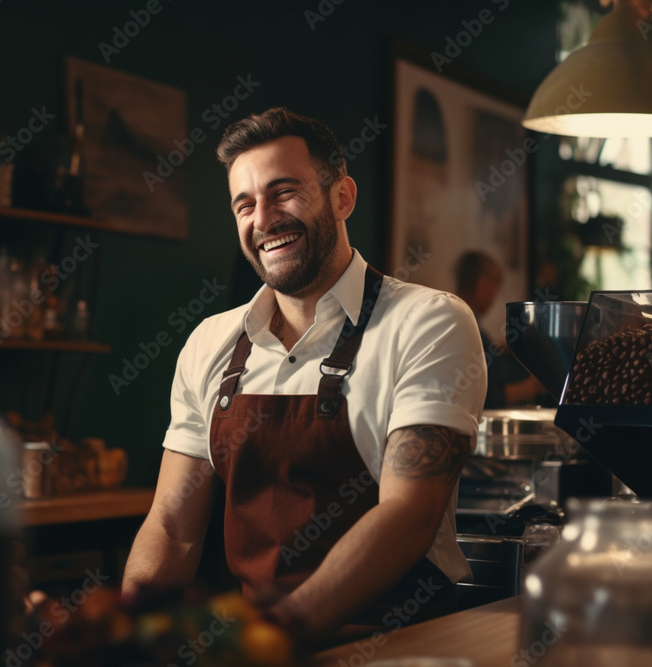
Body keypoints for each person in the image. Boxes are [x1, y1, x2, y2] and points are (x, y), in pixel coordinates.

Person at [122, 107, 486, 650]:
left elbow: (409, 515)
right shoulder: (209, 343)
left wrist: (274, 636)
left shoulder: (428, 320)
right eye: (244, 204)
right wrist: (122, 638)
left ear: (342, 197)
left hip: (399, 644)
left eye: (283, 191)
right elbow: (171, 530)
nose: (263, 219)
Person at [452, 251, 544, 408]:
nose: (496, 291)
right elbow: (487, 396)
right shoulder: (466, 327)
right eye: (496, 281)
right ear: (481, 282)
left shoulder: (456, 318)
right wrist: (535, 385)